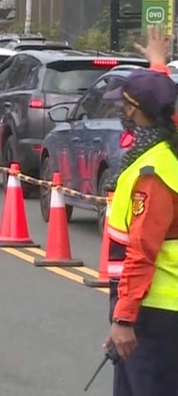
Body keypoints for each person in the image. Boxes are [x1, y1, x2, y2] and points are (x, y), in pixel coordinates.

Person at [102, 27, 178, 395]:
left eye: (125, 103)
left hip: (155, 311)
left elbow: (142, 252)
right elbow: (163, 101)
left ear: (137, 111)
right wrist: (158, 66)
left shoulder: (154, 173)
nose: (121, 109)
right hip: (151, 306)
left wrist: (124, 318)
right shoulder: (164, 143)